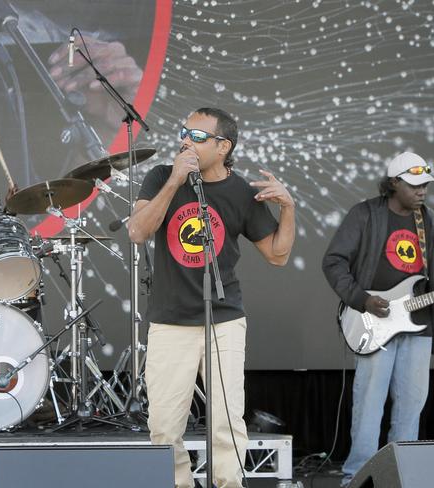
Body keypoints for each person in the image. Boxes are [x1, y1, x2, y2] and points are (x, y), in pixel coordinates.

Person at [128, 107, 296, 488]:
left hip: (223, 319)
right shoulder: (160, 176)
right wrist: (173, 181)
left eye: (198, 136)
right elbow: (138, 231)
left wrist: (288, 208)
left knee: (226, 422)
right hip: (170, 319)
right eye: (184, 132)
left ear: (223, 147)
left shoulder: (240, 192)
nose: (186, 141)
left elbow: (278, 255)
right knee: (164, 426)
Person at [321, 151, 434, 486]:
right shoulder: (365, 215)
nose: (422, 191)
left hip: (418, 327)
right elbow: (333, 261)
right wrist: (362, 299)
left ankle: (400, 477)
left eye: (426, 185)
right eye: (415, 184)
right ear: (394, 183)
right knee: (369, 405)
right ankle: (356, 477)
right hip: (373, 322)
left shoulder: (431, 224)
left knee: (410, 407)